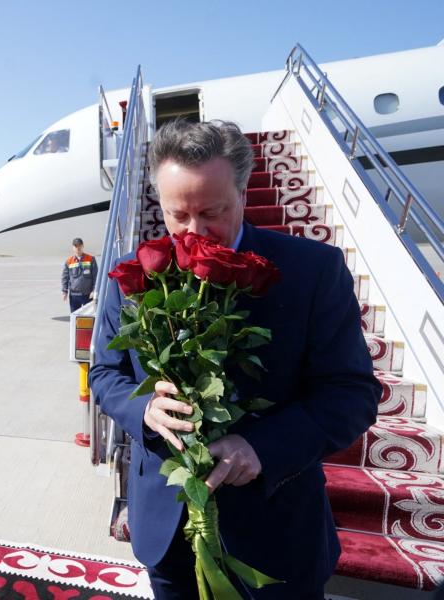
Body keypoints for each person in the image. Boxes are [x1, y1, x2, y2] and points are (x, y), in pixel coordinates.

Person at [90, 119, 381, 599]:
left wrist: (260, 447)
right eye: (176, 214)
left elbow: (351, 394)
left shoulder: (312, 271)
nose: (193, 233)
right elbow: (105, 374)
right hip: (166, 532)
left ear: (243, 193)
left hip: (275, 537)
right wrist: (142, 409)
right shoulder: (133, 275)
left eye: (212, 212)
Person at [62, 237, 98, 312]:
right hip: (74, 296)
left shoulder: (91, 259)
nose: (78, 248)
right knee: (75, 317)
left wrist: (94, 290)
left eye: (79, 246)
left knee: (88, 318)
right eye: (76, 246)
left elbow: (96, 277)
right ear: (73, 248)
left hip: (88, 295)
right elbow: (65, 277)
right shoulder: (69, 261)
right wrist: (64, 291)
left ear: (83, 246)